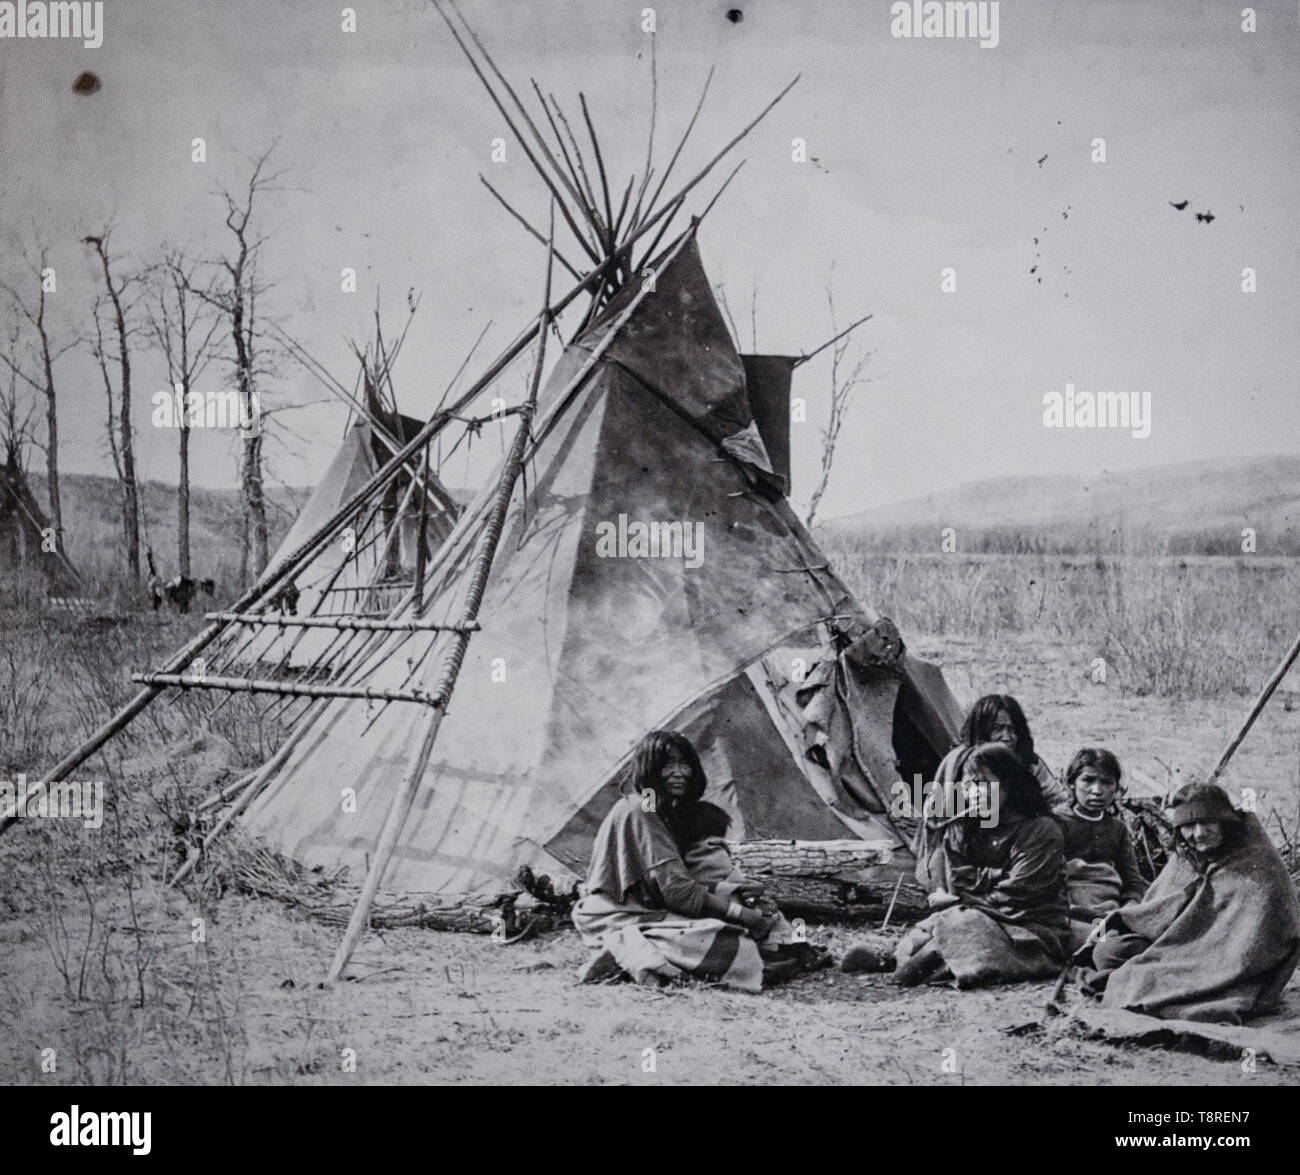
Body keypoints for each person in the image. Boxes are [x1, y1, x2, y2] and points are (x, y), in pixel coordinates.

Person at [571, 730, 824, 992]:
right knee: (724, 937)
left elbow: (688, 878)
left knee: (763, 905)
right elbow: (678, 892)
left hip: (653, 907)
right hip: (618, 914)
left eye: (685, 764)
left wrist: (738, 892)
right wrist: (744, 916)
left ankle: (801, 948)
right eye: (668, 764)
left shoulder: (666, 810)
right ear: (649, 768)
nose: (679, 772)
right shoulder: (641, 807)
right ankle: (626, 957)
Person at [1078, 782, 1300, 1023]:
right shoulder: (1187, 854)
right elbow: (1159, 906)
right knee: (1107, 951)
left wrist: (1187, 951)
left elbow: (1258, 936)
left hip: (1221, 959)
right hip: (1176, 942)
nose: (1199, 833)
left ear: (1225, 822)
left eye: (1207, 823)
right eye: (1189, 826)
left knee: (1145, 977)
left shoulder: (1257, 860)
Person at [862, 742, 1070, 987]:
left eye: (983, 785)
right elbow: (957, 877)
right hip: (979, 910)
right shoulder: (971, 827)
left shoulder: (1041, 830)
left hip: (1029, 924)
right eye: (969, 786)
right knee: (941, 925)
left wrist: (964, 901)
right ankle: (904, 958)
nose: (974, 794)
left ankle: (922, 964)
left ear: (1010, 785)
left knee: (965, 926)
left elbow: (1022, 889)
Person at [1053, 748, 1146, 950]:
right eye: (1088, 780)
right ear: (1071, 783)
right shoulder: (1056, 823)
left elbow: (1131, 880)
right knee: (1104, 944)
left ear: (1116, 788)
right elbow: (1047, 880)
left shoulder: (1117, 829)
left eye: (1106, 782)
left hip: (1111, 911)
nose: (1097, 790)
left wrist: (1131, 905)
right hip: (1072, 913)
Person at [934, 694, 1067, 807]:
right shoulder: (959, 761)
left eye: (1013, 730)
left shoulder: (1030, 762)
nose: (1007, 737)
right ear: (982, 730)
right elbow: (938, 806)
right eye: (997, 728)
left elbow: (1057, 801)